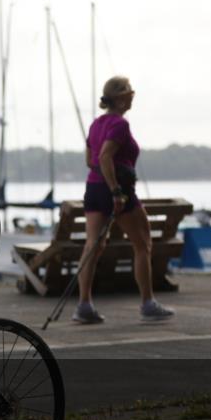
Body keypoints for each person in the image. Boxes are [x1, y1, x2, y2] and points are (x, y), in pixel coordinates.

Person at [72, 76, 174, 324]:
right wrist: (116, 190)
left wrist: (107, 180)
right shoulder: (119, 125)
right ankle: (148, 304)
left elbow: (91, 160)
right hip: (119, 190)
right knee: (143, 243)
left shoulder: (96, 124)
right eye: (129, 92)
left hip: (94, 188)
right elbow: (105, 157)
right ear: (119, 97)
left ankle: (84, 305)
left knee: (92, 246)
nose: (132, 95)